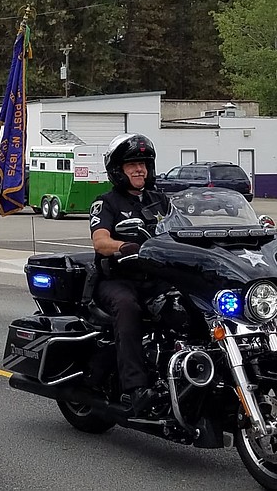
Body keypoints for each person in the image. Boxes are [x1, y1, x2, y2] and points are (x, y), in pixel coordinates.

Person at [89, 133, 171, 416]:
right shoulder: (107, 202)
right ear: (118, 170)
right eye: (132, 164)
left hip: (156, 278)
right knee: (128, 308)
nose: (140, 169)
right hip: (118, 279)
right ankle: (135, 388)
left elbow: (183, 228)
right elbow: (100, 241)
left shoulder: (161, 200)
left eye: (143, 164)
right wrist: (124, 245)